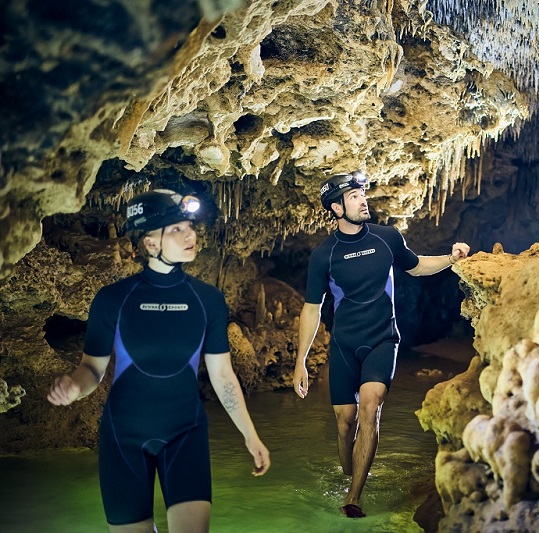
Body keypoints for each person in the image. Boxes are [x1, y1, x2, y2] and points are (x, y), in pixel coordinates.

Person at [48, 189, 270, 533]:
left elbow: (223, 375)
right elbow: (92, 368)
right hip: (124, 438)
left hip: (186, 433)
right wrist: (74, 387)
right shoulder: (112, 300)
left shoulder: (207, 300)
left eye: (190, 226)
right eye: (177, 229)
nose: (191, 234)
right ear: (150, 243)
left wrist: (250, 435)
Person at [292, 171, 470, 518]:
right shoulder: (324, 255)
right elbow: (311, 309)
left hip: (382, 339)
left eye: (363, 194)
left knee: (370, 408)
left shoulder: (387, 237)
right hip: (344, 345)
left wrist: (451, 259)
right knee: (346, 422)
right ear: (336, 208)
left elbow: (416, 266)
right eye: (355, 196)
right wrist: (301, 360)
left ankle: (353, 496)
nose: (363, 200)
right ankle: (348, 473)